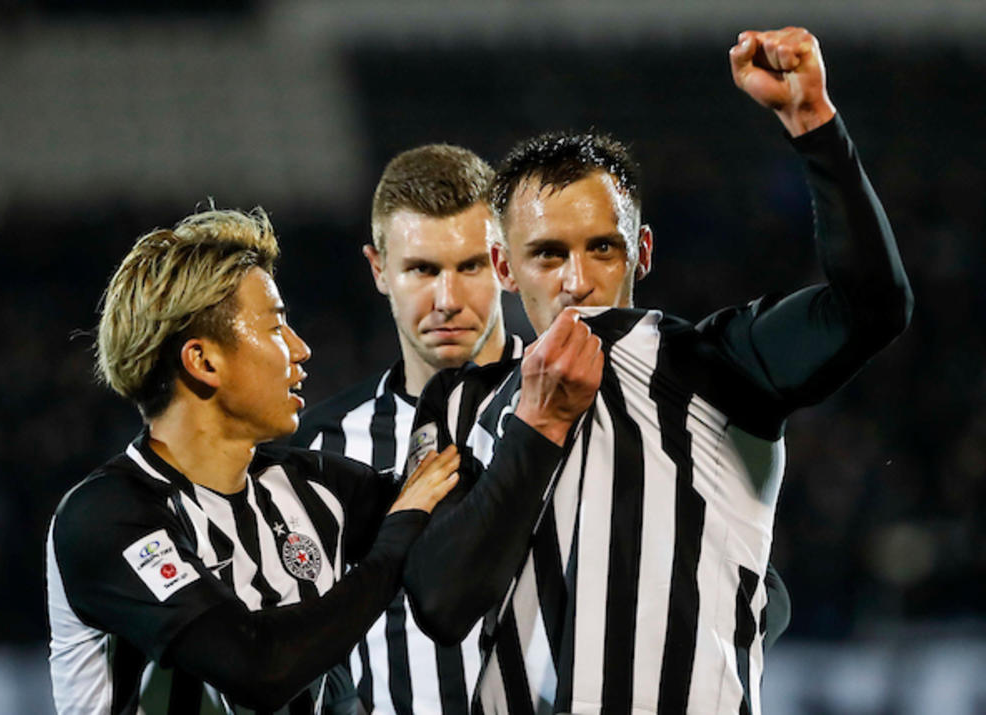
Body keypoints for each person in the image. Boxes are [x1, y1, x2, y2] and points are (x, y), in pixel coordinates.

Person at [401, 27, 913, 714]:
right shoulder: (459, 407)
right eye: (548, 254)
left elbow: (874, 307)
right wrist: (539, 427)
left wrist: (813, 124)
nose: (577, 281)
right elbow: (439, 601)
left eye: (602, 249)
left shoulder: (714, 362)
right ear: (503, 267)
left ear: (641, 252)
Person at [45, 207, 463, 714]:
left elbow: (456, 515)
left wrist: (528, 424)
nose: (301, 349)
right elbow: (256, 668)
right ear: (203, 361)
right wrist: (395, 541)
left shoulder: (311, 488)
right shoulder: (105, 518)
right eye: (276, 326)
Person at [292, 144, 523, 714]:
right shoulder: (322, 447)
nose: (447, 299)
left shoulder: (577, 408)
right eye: (422, 269)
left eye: (470, 266)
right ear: (379, 270)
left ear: (506, 263)